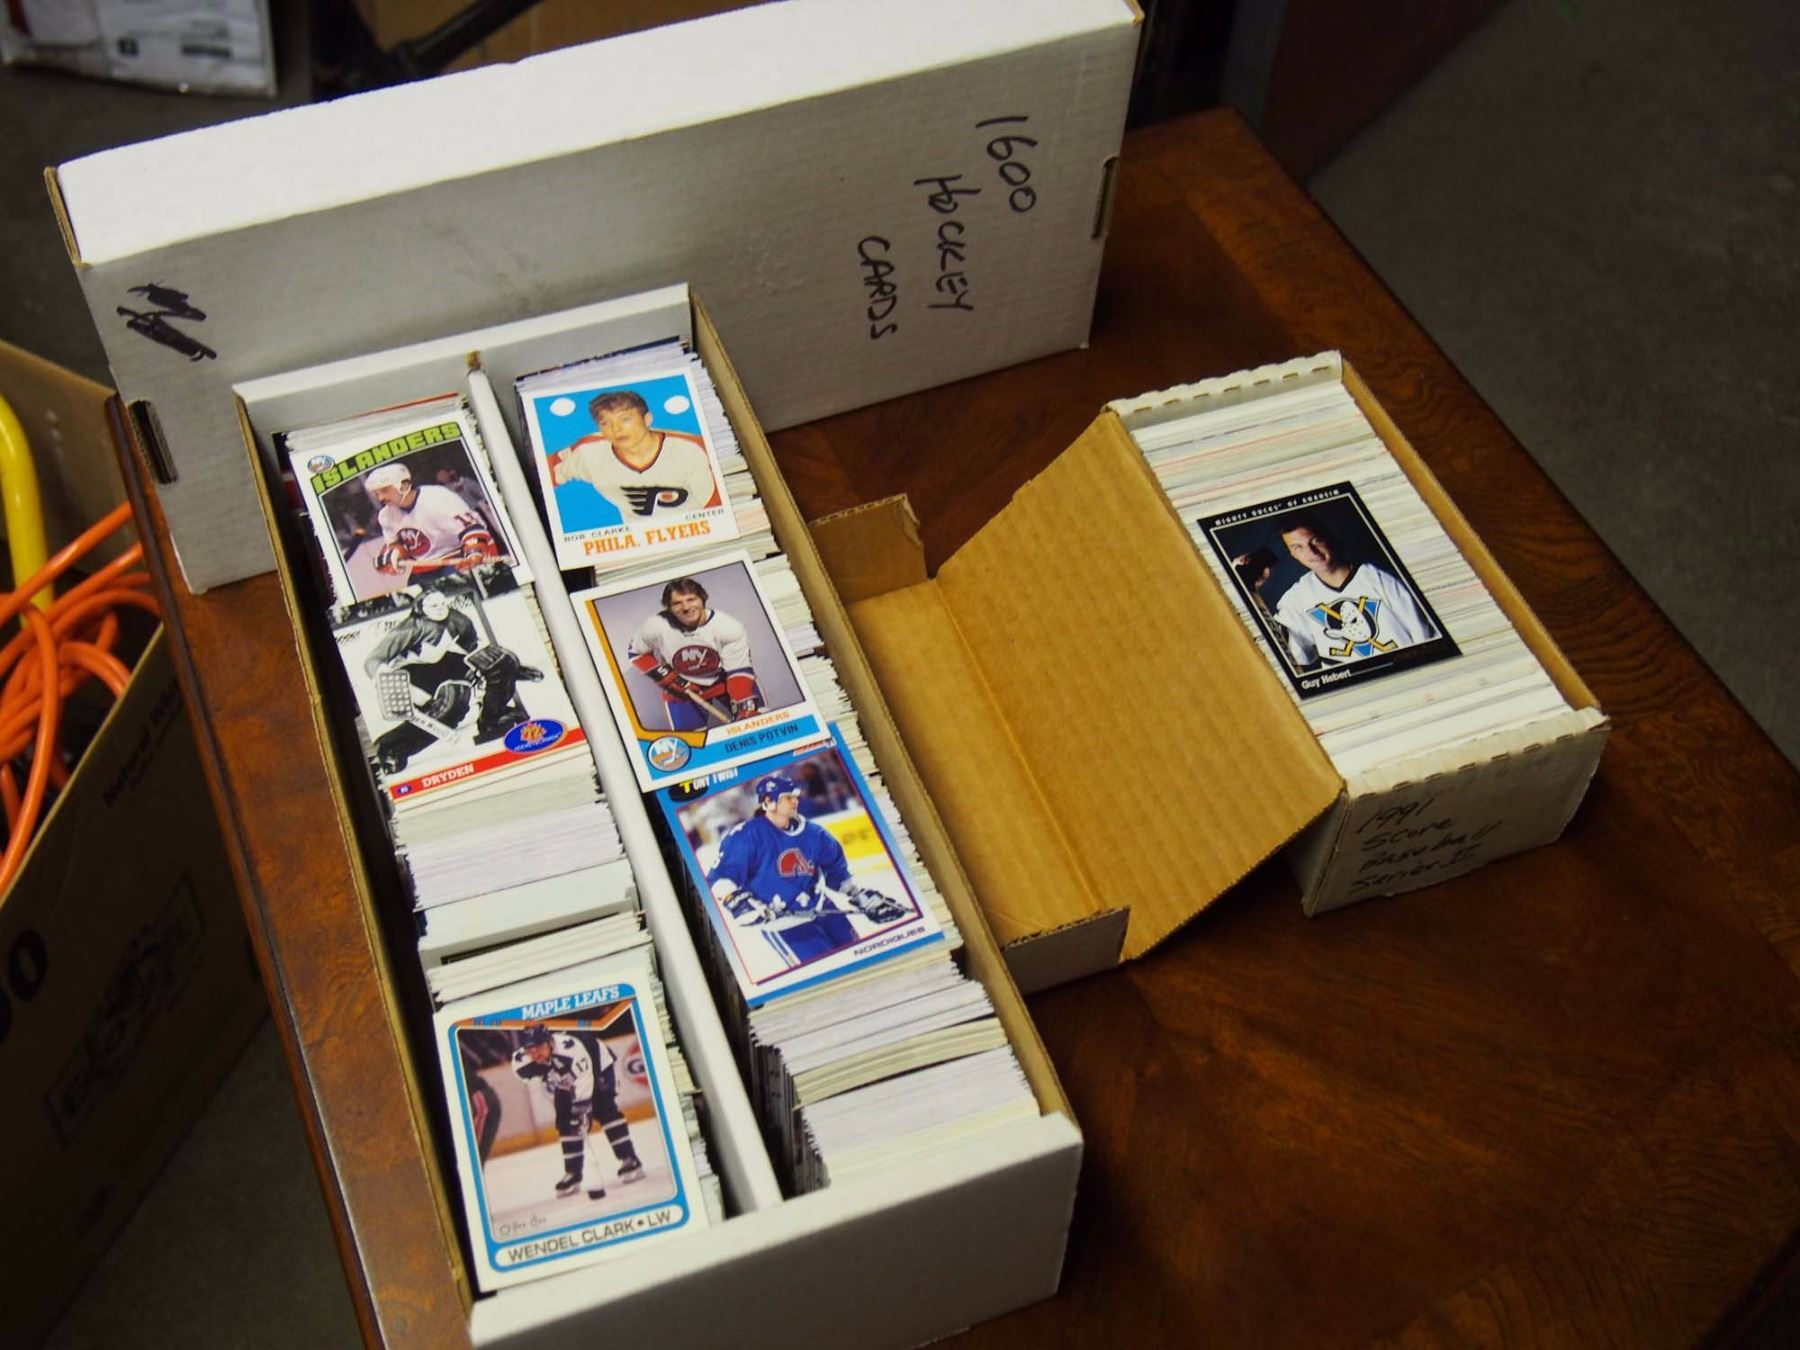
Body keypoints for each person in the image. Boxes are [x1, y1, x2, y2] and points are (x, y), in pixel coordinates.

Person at [706, 774, 909, 970]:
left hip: (824, 910)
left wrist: (859, 895)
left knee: (863, 963)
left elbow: (835, 872)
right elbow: (720, 877)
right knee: (830, 977)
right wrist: (736, 902)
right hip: (785, 925)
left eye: (795, 796)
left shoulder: (814, 833)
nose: (795, 801)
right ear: (769, 802)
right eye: (788, 797)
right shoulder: (747, 836)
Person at [362, 590, 541, 773]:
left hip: (440, 663)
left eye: (442, 603)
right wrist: (389, 682)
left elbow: (473, 646)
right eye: (434, 606)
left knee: (497, 665)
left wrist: (507, 668)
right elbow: (373, 660)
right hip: (409, 673)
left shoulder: (458, 620)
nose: (440, 609)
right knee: (452, 704)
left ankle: (492, 718)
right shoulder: (411, 628)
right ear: (422, 609)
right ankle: (391, 748)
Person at [1236, 511, 1437, 670]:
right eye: (1298, 547)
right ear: (1292, 554)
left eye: (1315, 541)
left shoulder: (1378, 577)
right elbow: (1282, 654)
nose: (1311, 552)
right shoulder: (1297, 598)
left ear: (1327, 538)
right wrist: (1250, 592)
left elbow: (1426, 636)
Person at [510, 1024, 644, 1201]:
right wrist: (551, 1072)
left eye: (539, 1047)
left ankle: (630, 1158)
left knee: (604, 1109)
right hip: (568, 1075)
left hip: (596, 1063)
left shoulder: (571, 1051)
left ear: (550, 1042)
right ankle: (573, 1173)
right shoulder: (522, 1061)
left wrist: (582, 1109)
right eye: (530, 1050)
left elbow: (585, 1079)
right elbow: (526, 1073)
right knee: (565, 1120)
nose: (535, 1054)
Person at [547, 389, 721, 520]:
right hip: (637, 544)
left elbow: (717, 508)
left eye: (625, 419)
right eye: (606, 423)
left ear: (647, 419)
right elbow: (544, 474)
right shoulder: (588, 452)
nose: (616, 429)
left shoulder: (691, 449)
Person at [626, 577, 763, 730]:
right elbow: (636, 653)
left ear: (703, 599)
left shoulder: (727, 627)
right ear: (668, 608)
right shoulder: (656, 625)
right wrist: (668, 678)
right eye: (677, 603)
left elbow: (738, 671)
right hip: (683, 687)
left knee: (758, 724)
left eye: (691, 599)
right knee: (692, 741)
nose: (686, 607)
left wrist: (744, 705)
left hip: (723, 680)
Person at [364, 461, 499, 576]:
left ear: (404, 485)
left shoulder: (436, 497)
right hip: (425, 565)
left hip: (457, 555)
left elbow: (473, 529)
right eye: (376, 494)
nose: (380, 498)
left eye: (385, 491)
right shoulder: (386, 515)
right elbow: (396, 544)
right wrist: (393, 554)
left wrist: (474, 551)